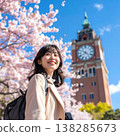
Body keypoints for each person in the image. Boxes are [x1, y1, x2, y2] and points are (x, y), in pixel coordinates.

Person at [25, 44, 65, 120]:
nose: (52, 57)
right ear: (39, 61)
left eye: (56, 55)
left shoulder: (50, 84)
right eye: (47, 54)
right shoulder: (38, 79)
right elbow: (35, 114)